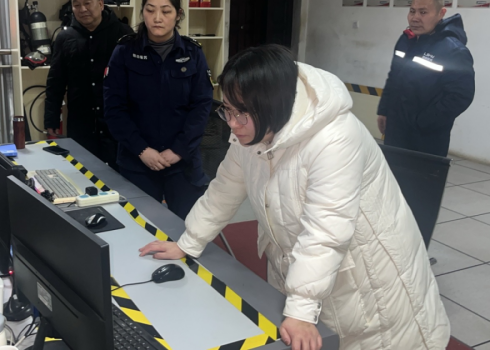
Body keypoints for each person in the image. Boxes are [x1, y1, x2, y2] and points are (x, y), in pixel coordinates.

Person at [139, 45, 449, 350]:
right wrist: (189, 242)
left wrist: (301, 309)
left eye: (241, 113)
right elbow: (224, 190)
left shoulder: (335, 138)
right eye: (227, 110)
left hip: (368, 275)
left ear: (272, 105)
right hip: (305, 269)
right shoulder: (253, 130)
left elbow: (326, 229)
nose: (232, 123)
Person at [103, 0, 213, 220]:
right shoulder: (124, 51)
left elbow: (202, 107)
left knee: (189, 228)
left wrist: (178, 150)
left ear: (178, 14)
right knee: (140, 229)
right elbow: (114, 109)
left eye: (166, 11)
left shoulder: (192, 53)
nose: (157, 18)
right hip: (137, 161)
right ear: (142, 11)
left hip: (182, 162)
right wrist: (142, 150)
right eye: (150, 10)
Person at [44, 0, 133, 169]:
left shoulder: (124, 34)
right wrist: (51, 118)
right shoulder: (65, 38)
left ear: (100, 3)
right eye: (76, 4)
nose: (82, 9)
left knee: (119, 176)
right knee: (83, 174)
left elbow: (136, 80)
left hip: (117, 122)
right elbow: (56, 81)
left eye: (87, 2)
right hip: (80, 123)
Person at [377, 0, 475, 157]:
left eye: (423, 12)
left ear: (440, 13)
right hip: (396, 129)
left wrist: (422, 123)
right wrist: (384, 110)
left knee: (420, 174)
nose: (415, 18)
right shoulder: (406, 40)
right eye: (412, 11)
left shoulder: (453, 51)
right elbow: (393, 77)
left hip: (426, 137)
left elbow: (460, 96)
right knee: (392, 173)